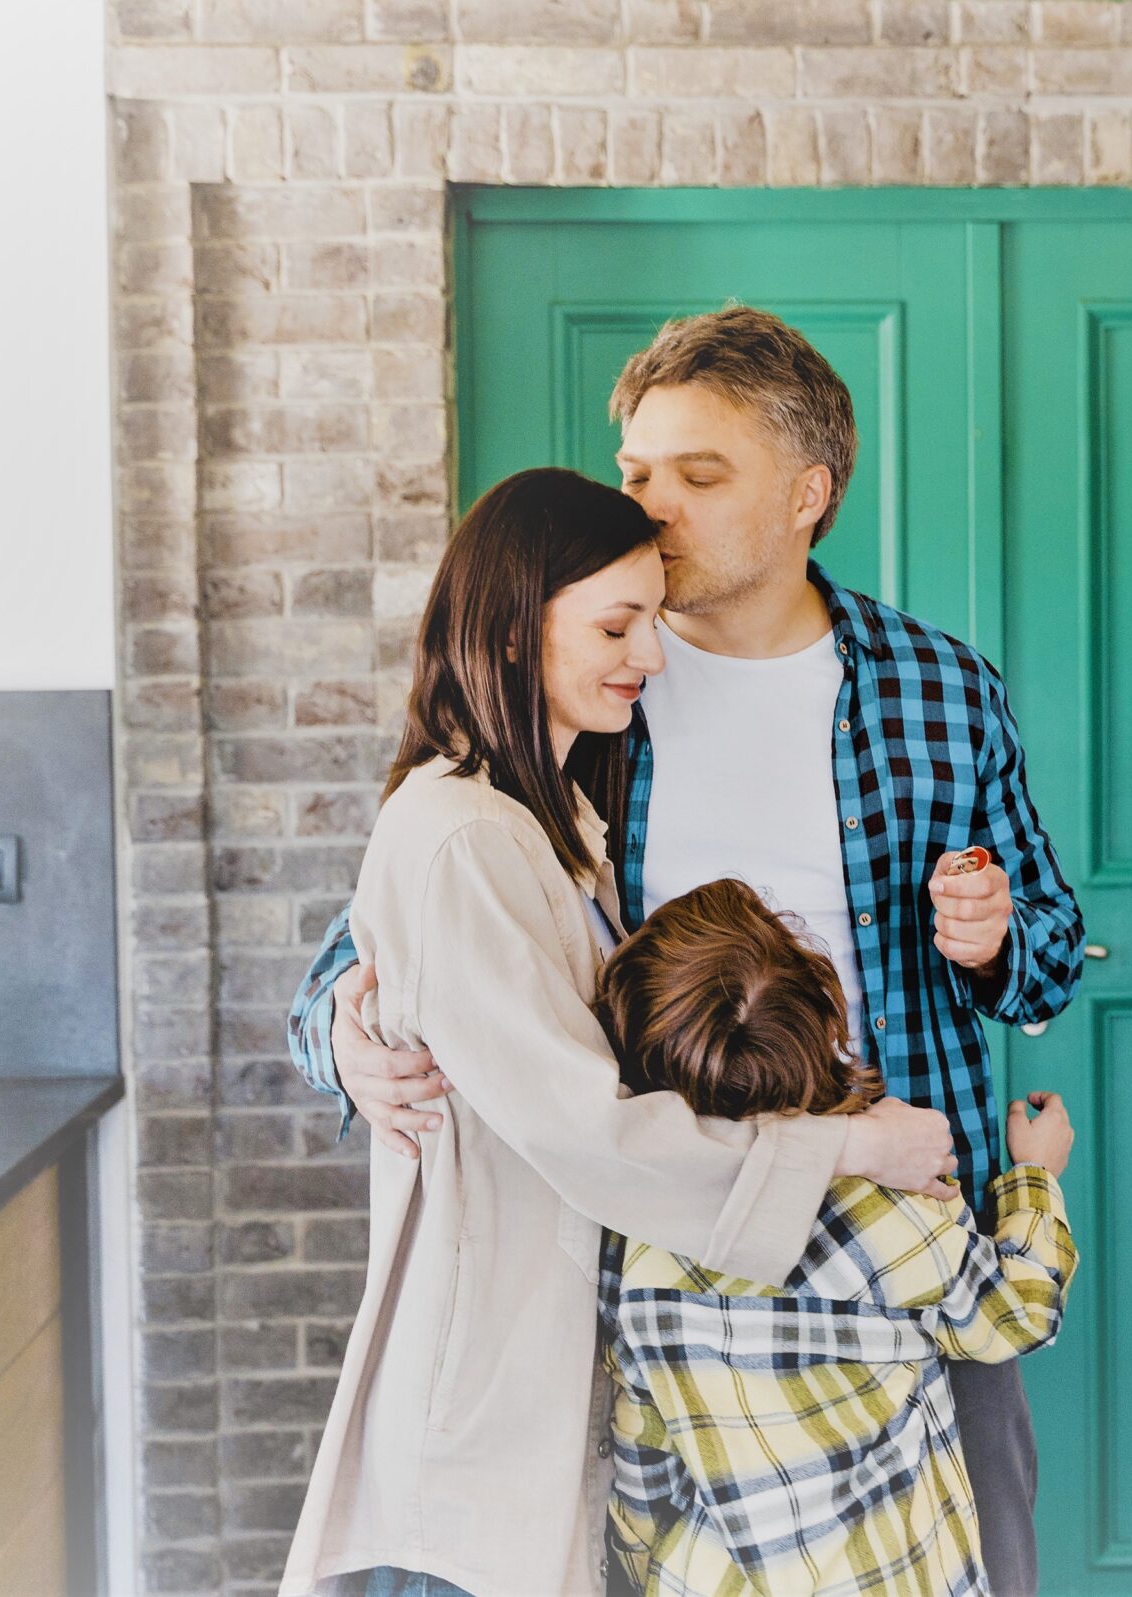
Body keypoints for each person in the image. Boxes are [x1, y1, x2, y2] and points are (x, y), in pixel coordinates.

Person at [286, 307, 1084, 1593]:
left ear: (808, 493)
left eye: (698, 478)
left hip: (910, 1244)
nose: (652, 511)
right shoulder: (588, 678)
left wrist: (993, 947)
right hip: (660, 1273)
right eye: (636, 474)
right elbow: (386, 936)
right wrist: (341, 1037)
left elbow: (1051, 956)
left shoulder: (941, 688)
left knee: (964, 1561)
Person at [280, 470, 877, 1597]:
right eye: (617, 626)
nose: (648, 659)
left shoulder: (542, 825)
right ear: (510, 632)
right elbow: (584, 1126)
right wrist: (849, 1147)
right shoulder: (466, 839)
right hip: (484, 1406)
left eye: (652, 621)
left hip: (538, 1379)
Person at [591, 876, 1076, 1596]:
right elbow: (1020, 1309)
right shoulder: (887, 1209)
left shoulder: (643, 1243)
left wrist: (636, 1564)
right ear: (826, 1023)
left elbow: (641, 1464)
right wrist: (1035, 1174)